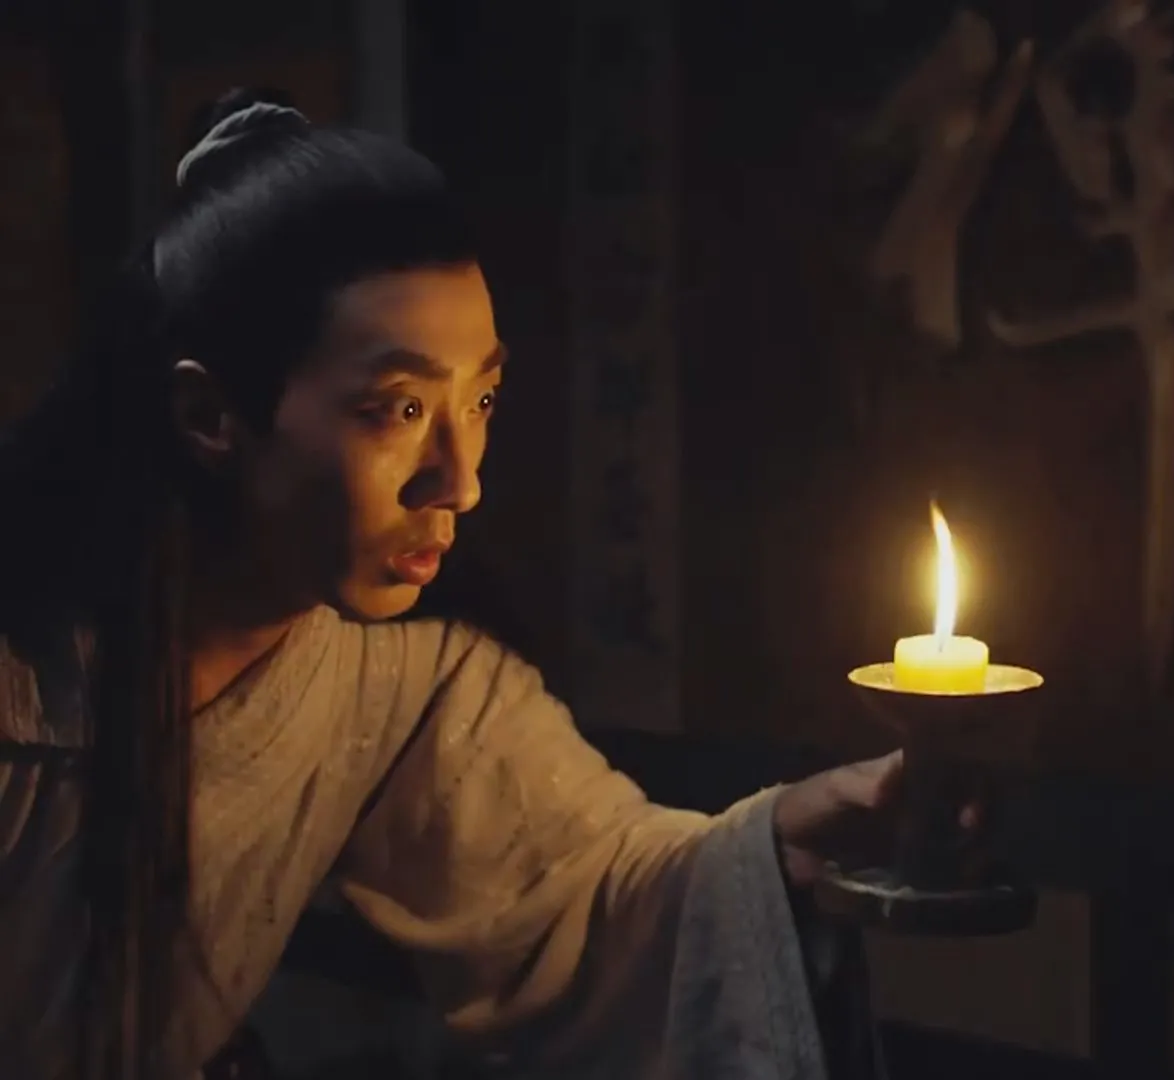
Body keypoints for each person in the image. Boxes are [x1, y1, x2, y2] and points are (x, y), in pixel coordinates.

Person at [0, 89, 908, 1079]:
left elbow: (589, 893)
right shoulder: (27, 674)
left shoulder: (401, 678)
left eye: (480, 399)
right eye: (397, 409)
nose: (461, 479)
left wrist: (781, 838)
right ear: (209, 416)